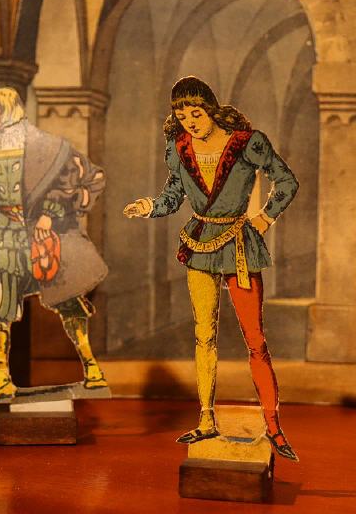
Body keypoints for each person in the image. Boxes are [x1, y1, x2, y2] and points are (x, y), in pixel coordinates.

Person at [124, 76, 300, 461]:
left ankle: (273, 426)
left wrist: (266, 217)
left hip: (239, 246)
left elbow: (287, 182)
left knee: (255, 340)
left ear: (211, 109)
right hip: (199, 243)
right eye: (181, 116)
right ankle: (206, 419)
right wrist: (150, 206)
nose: (189, 122)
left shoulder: (247, 142)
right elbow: (174, 195)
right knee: (204, 335)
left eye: (196, 113)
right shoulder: (178, 148)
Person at [0, 87, 109, 403]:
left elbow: (78, 179)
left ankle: (92, 368)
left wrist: (49, 214)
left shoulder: (48, 147)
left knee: (68, 300)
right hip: (2, 236)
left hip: (42, 237)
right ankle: (1, 379)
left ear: (9, 110)